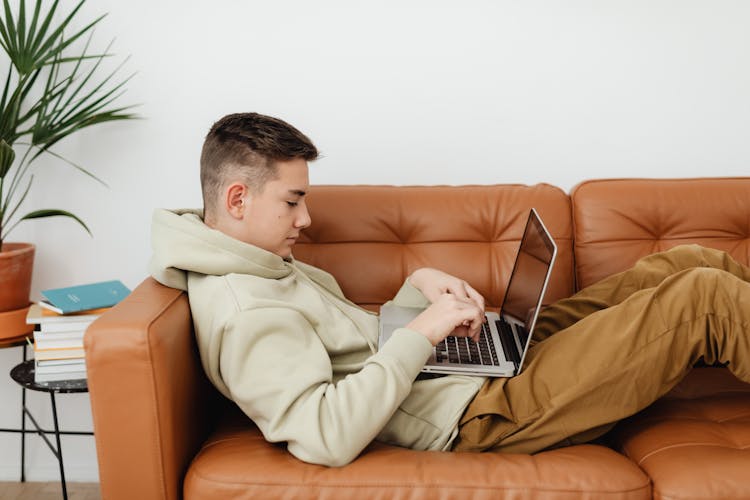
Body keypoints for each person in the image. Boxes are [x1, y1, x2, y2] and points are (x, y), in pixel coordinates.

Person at [150, 112, 750, 467]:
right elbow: (325, 434)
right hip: (478, 414)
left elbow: (351, 347)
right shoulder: (243, 308)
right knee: (702, 298)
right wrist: (421, 333)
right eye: (293, 201)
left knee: (685, 260)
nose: (305, 219)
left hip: (457, 375)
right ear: (236, 199)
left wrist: (416, 295)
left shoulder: (254, 259)